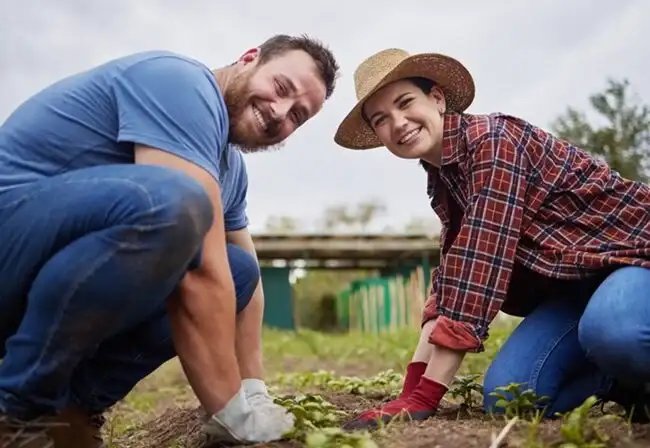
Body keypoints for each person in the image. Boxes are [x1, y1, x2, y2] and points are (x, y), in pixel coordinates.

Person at [0, 34, 339, 447]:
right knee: (173, 203)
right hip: (12, 239)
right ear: (249, 58)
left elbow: (241, 283)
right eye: (281, 88)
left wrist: (255, 389)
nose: (280, 112)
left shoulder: (229, 169)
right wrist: (230, 410)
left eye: (297, 116)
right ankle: (17, 407)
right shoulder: (181, 84)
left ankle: (71, 410)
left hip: (47, 276)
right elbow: (202, 267)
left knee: (241, 271)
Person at [334, 48, 650, 429]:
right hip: (576, 285)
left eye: (405, 103)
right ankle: (627, 385)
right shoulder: (444, 178)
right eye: (381, 119)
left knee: (616, 333)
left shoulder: (493, 142)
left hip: (632, 257)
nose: (398, 123)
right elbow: (453, 279)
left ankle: (628, 355)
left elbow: (479, 271)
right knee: (511, 396)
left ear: (436, 98)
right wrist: (410, 389)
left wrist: (425, 397)